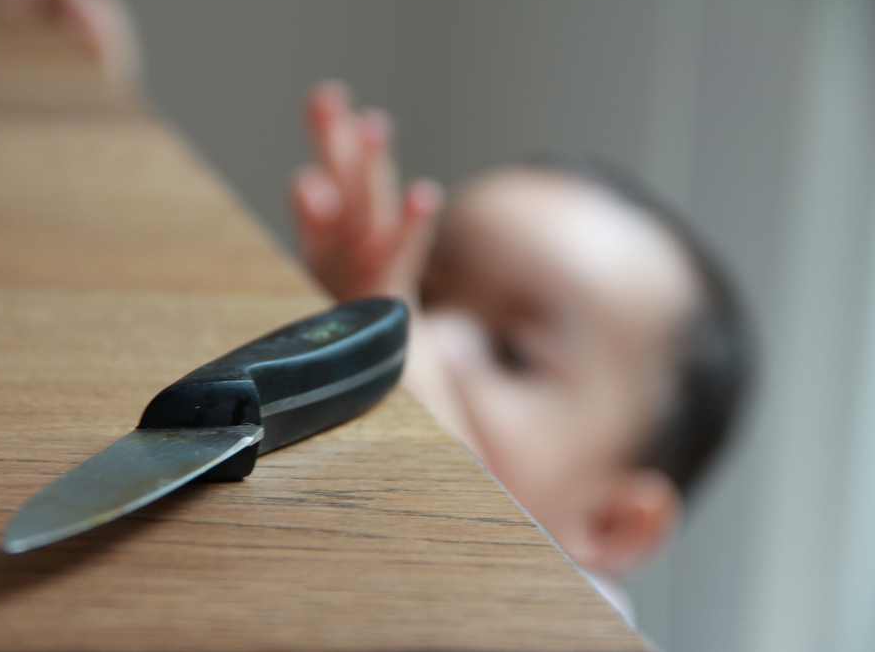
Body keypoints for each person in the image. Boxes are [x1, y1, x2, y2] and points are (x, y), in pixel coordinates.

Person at [289, 81, 750, 615]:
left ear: (607, 524)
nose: (431, 337)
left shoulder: (567, 620)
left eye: (513, 354)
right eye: (424, 292)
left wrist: (395, 346)